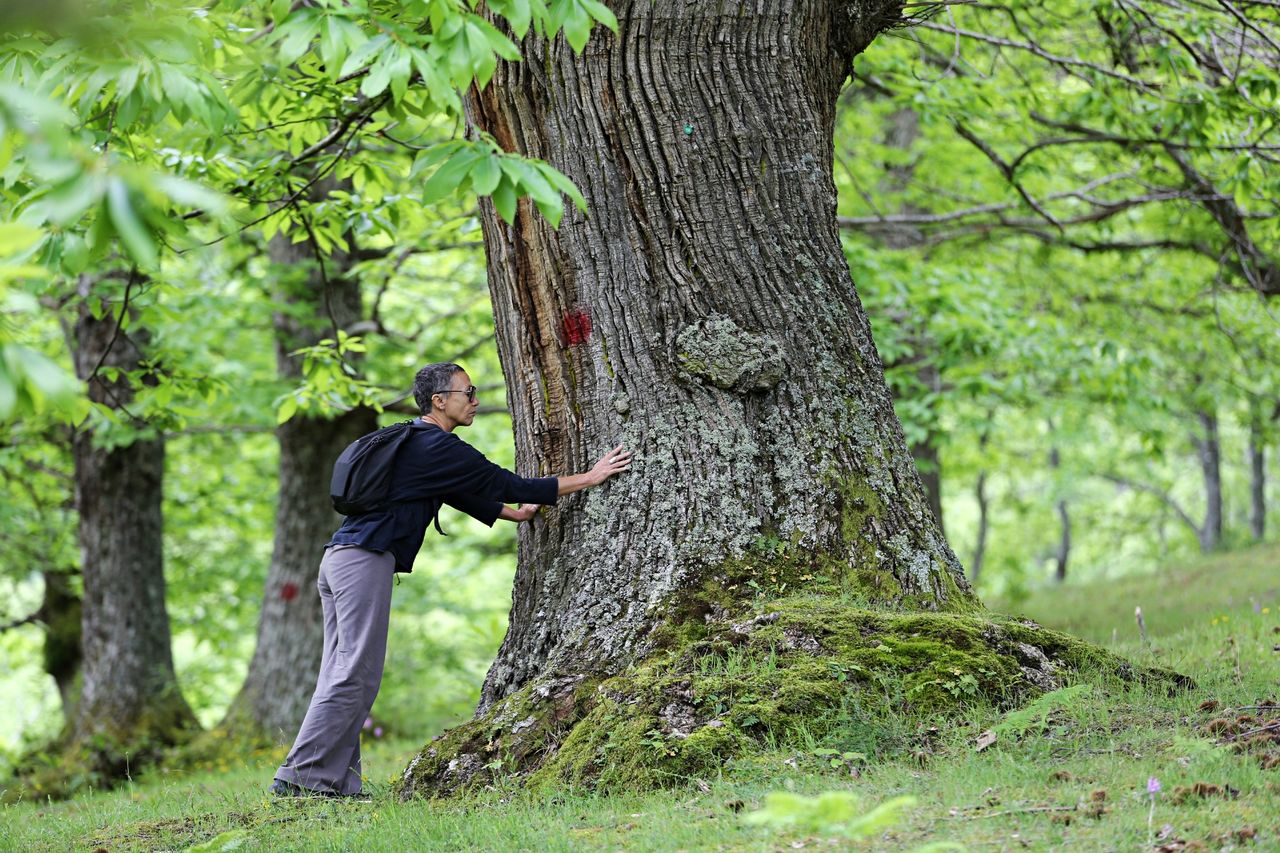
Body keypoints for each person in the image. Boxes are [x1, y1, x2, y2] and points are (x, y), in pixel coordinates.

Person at [270, 362, 632, 799]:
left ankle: (333, 782)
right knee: (354, 675)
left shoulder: (417, 442)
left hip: (341, 559)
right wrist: (589, 478)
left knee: (344, 672)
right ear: (440, 400)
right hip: (364, 560)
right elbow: (507, 481)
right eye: (468, 392)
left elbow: (457, 491)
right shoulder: (438, 447)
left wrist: (513, 513)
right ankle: (300, 778)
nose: (475, 400)